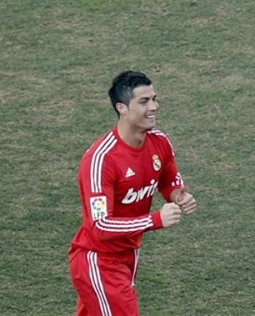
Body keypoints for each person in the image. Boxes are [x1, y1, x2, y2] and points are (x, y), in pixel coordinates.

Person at [68, 70, 197, 316]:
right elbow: (99, 225)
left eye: (154, 99)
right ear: (122, 108)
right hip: (99, 260)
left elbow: (169, 179)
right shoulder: (101, 160)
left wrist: (178, 196)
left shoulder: (159, 141)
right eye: (144, 101)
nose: (154, 107)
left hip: (127, 255)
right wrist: (156, 219)